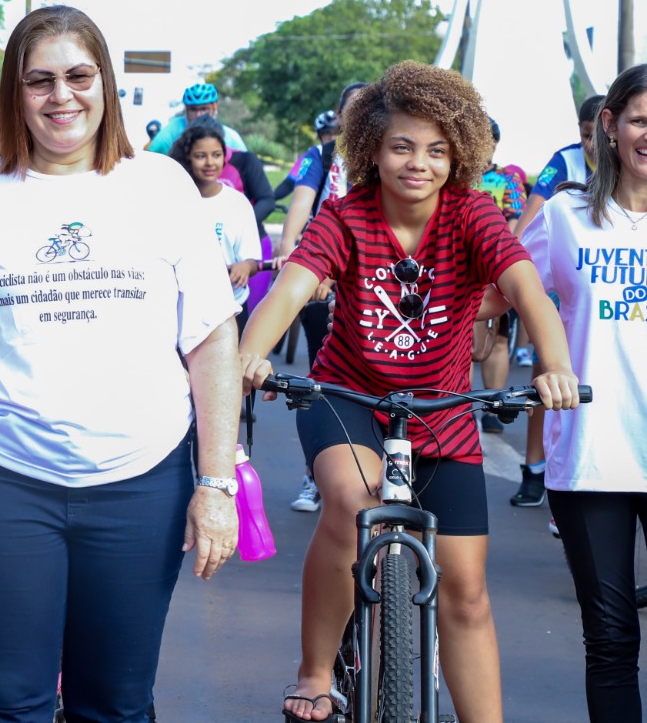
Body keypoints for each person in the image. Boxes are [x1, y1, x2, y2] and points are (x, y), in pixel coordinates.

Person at [0, 6, 241, 722]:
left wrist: (216, 484)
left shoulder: (160, 186)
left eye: (78, 76)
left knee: (116, 704)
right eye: (40, 80)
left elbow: (211, 340)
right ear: (16, 91)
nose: (61, 96)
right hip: (4, 485)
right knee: (5, 702)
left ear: (105, 85)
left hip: (140, 484)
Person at [238, 61, 582, 723]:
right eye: (401, 146)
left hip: (444, 411)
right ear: (371, 147)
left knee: (468, 593)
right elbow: (293, 288)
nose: (417, 163)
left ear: (460, 155)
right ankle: (315, 670)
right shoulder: (345, 216)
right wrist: (251, 355)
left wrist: (553, 365)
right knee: (351, 503)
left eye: (436, 149)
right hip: (349, 399)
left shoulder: (473, 213)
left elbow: (524, 287)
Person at [513, 64, 647, 722]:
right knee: (614, 638)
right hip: (593, 457)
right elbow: (490, 293)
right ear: (611, 127)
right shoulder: (563, 216)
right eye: (641, 119)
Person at [507, 94, 606, 509]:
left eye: (596, 135)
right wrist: (510, 266)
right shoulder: (565, 163)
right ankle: (535, 468)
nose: (591, 144)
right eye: (585, 135)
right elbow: (534, 213)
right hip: (564, 277)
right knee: (549, 374)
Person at [275, 82, 368, 514]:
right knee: (321, 379)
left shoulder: (394, 154)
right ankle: (315, 475)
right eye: (352, 109)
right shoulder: (323, 156)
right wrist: (290, 251)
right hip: (324, 273)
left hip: (381, 283)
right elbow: (301, 205)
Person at [172, 118, 261, 330]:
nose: (210, 163)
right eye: (201, 156)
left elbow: (253, 261)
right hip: (186, 309)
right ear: (188, 159)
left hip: (231, 307)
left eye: (216, 155)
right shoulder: (174, 201)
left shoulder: (238, 203)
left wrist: (245, 266)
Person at [472, 118, 526, 435]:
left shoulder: (508, 179)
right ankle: (459, 406)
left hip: (497, 267)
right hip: (459, 267)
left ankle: (493, 407)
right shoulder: (455, 175)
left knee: (499, 338)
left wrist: (503, 261)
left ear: (494, 144)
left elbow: (517, 219)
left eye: (486, 140)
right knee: (458, 336)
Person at [145, 81, 249, 156]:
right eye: (193, 110)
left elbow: (245, 167)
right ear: (186, 110)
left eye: (204, 109)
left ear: (214, 108)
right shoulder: (173, 128)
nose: (199, 115)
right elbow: (151, 156)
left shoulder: (231, 137)